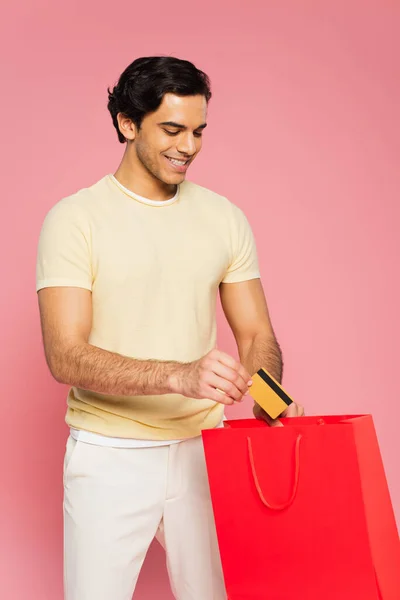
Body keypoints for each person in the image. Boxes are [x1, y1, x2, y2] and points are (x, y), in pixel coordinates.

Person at [36, 56, 304, 600]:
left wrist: (270, 396)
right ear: (127, 124)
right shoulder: (75, 219)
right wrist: (180, 376)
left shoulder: (224, 216)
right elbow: (65, 354)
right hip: (108, 452)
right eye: (173, 129)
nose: (189, 146)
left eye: (199, 131)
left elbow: (255, 334)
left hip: (205, 452)